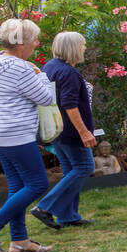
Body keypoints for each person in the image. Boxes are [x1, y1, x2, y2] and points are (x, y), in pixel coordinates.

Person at [0, 19, 58, 252]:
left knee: (18, 186)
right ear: (21, 44)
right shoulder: (20, 68)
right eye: (34, 40)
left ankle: (19, 241)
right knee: (38, 184)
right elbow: (45, 98)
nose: (37, 44)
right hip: (17, 134)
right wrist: (40, 74)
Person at [31, 31, 96, 229]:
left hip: (55, 128)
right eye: (82, 44)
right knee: (85, 167)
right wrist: (84, 132)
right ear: (73, 48)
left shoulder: (50, 66)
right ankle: (44, 207)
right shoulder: (68, 72)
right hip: (69, 130)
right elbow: (70, 105)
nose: (84, 48)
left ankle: (68, 215)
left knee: (70, 170)